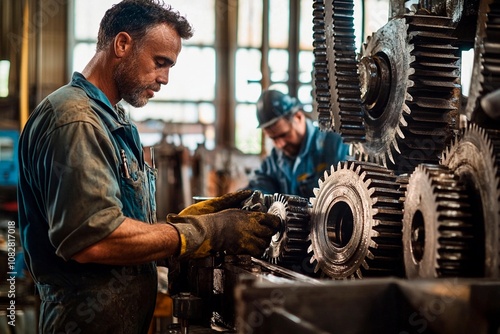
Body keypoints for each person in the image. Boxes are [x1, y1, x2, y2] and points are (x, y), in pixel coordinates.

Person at [17, 1, 279, 333]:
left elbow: (122, 222)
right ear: (122, 45)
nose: (166, 78)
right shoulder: (76, 120)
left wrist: (186, 222)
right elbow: (94, 239)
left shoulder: (113, 120)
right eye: (160, 62)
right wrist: (205, 232)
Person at [245, 89, 350, 198]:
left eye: (284, 135)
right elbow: (259, 187)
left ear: (298, 117)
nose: (280, 144)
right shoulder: (274, 161)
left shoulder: (336, 146)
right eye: (274, 139)